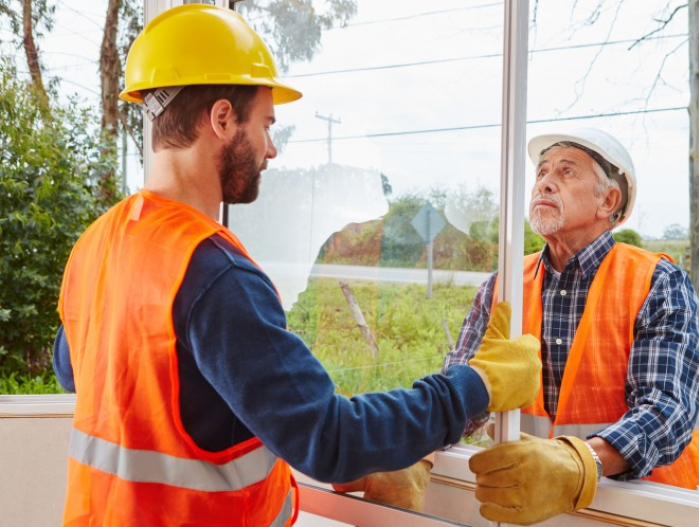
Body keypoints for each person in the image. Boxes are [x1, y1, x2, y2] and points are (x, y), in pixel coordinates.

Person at [51, 5, 541, 527]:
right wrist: (476, 386)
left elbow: (77, 371)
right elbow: (329, 440)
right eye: (265, 124)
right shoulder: (214, 272)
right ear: (222, 119)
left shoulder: (100, 242)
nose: (272, 148)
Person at [340, 128, 699, 525]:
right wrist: (412, 445)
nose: (545, 181)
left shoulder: (656, 281)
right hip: (524, 508)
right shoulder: (506, 283)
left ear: (609, 200)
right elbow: (463, 388)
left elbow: (668, 411)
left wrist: (580, 463)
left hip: (636, 511)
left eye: (567, 172)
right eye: (542, 172)